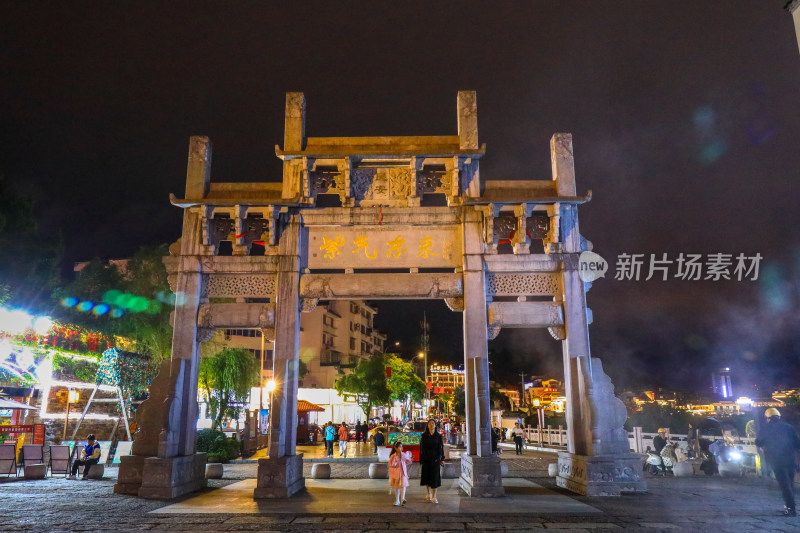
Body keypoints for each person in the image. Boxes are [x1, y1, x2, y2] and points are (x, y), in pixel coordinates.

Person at [755, 408, 800, 516]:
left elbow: (759, 441)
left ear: (767, 418)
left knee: (784, 485)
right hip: (791, 460)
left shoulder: (765, 428)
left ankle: (791, 508)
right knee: (790, 483)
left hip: (777, 460)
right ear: (779, 417)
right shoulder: (789, 427)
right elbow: (797, 443)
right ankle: (789, 505)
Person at [420, 419, 445, 503]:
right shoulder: (424, 436)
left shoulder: (438, 436)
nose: (431, 424)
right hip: (426, 459)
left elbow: (441, 448)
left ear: (435, 425)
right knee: (427, 476)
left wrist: (442, 459)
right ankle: (428, 493)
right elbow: (422, 448)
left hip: (435, 459)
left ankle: (434, 496)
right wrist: (421, 459)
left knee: (435, 477)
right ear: (427, 425)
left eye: (433, 423)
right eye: (430, 423)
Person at [388, 441, 413, 506]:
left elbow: (407, 462)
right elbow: (391, 464)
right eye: (399, 447)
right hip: (396, 474)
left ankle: (403, 499)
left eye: (402, 446)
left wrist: (410, 459)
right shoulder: (393, 456)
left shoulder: (403, 454)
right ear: (395, 448)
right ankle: (397, 500)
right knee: (397, 487)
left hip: (403, 473)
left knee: (403, 486)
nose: (401, 448)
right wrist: (397, 458)